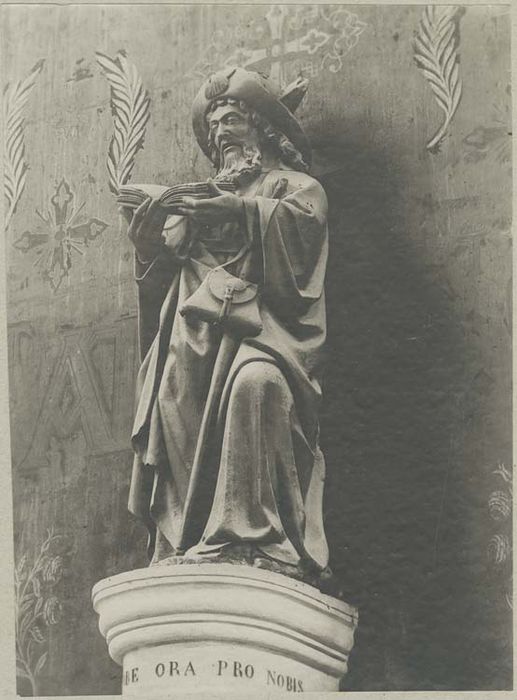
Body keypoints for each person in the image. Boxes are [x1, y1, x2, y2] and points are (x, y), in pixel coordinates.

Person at [124, 67, 330, 582]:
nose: (221, 134)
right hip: (194, 338)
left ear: (262, 128)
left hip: (266, 338)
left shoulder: (296, 187)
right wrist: (148, 246)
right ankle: (184, 539)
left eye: (232, 120)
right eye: (214, 126)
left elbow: (300, 259)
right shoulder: (196, 201)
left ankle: (251, 537)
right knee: (170, 391)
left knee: (255, 385)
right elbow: (166, 283)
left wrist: (239, 211)